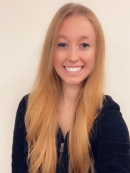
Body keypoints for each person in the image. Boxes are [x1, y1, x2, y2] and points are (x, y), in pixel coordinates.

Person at [12, 3, 130, 173]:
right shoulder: (28, 107)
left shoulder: (108, 116)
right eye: (62, 44)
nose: (73, 57)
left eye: (84, 45)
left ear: (97, 52)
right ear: (50, 51)